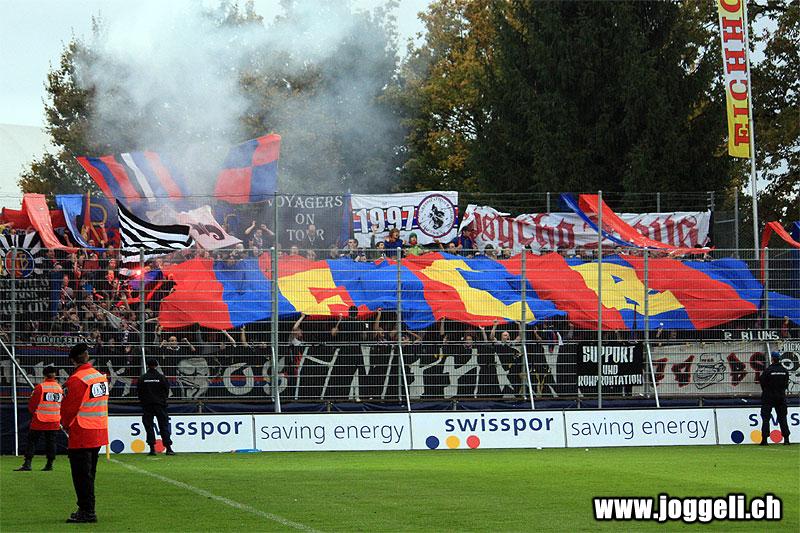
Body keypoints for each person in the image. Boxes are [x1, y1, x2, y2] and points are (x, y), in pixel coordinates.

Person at [61, 343, 109, 523]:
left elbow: (69, 408)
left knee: (81, 475)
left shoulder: (77, 379)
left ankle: (87, 511)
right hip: (98, 428)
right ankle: (85, 508)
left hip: (82, 431)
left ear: (73, 360)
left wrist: (65, 424)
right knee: (89, 473)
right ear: (87, 356)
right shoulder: (100, 377)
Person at [15, 365, 62, 472]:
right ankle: (49, 464)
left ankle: (27, 463)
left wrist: (34, 412)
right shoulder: (59, 388)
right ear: (55, 375)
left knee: (32, 441)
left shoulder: (40, 387)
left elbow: (32, 404)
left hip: (40, 419)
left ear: (44, 375)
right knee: (51, 442)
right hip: (54, 419)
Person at [137, 358, 174, 456]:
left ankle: (152, 448)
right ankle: (168, 448)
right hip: (160, 405)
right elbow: (167, 390)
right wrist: (162, 400)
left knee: (149, 426)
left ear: (147, 365)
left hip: (147, 405)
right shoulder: (161, 377)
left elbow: (139, 392)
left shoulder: (142, 378)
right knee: (163, 426)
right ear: (156, 365)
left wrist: (144, 401)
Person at [759, 352, 791, 446]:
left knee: (765, 418)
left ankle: (764, 439)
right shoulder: (784, 371)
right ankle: (786, 439)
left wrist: (767, 390)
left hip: (768, 396)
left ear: (772, 359)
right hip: (781, 396)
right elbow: (786, 384)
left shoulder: (768, 371)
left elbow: (762, 382)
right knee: (782, 418)